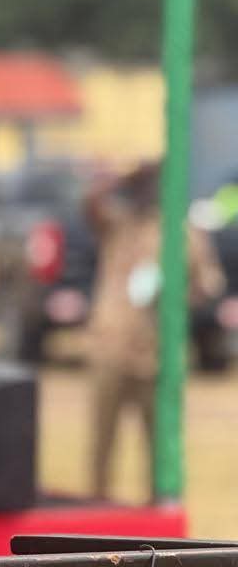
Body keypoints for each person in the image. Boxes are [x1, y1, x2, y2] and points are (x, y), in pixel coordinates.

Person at [85, 161, 223, 500]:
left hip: (157, 353)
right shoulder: (119, 224)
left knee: (159, 442)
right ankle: (98, 503)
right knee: (103, 439)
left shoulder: (181, 232)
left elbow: (209, 284)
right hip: (111, 347)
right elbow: (89, 205)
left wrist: (176, 296)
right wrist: (120, 177)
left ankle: (157, 506)